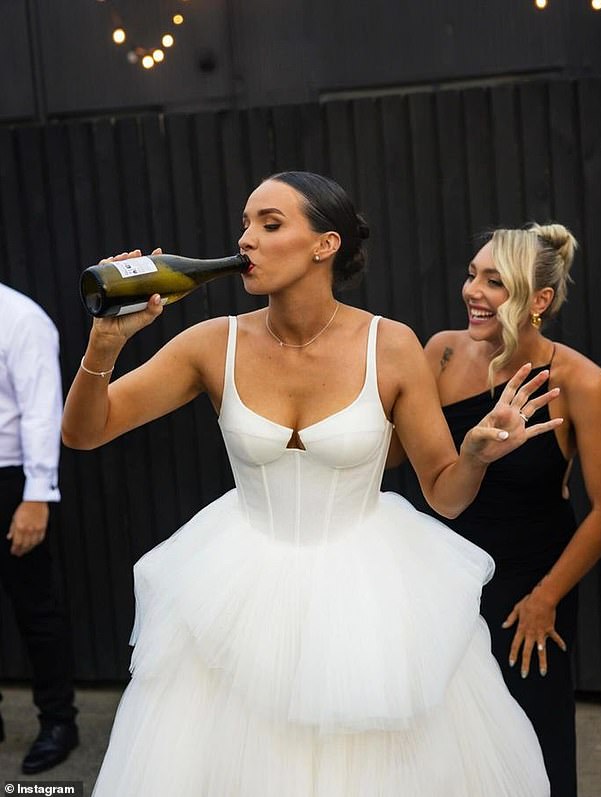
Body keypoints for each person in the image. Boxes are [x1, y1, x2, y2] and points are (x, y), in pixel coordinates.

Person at [63, 172, 562, 796]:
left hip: (370, 596)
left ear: (325, 245)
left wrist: (476, 455)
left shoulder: (392, 344)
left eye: (270, 224)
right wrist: (105, 343)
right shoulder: (212, 343)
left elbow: (447, 496)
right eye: (245, 224)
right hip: (236, 593)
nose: (247, 238)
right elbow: (85, 432)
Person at [418, 224, 601, 796]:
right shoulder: (439, 353)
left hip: (527, 591)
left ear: (539, 301)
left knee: (532, 741)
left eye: (495, 282)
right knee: (443, 742)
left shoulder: (580, 381)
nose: (473, 292)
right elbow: (395, 454)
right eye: (471, 275)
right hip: (444, 580)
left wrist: (547, 598)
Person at [0, 282, 78, 773]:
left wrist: (36, 497)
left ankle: (58, 723)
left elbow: (42, 413)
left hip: (10, 479)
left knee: (35, 610)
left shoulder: (21, 318)